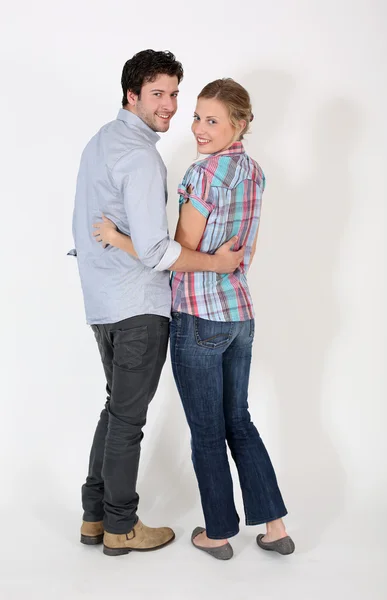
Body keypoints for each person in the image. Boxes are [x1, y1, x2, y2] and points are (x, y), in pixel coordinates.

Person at [94, 77, 294, 560]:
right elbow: (242, 246)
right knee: (239, 421)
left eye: (212, 120)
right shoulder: (253, 171)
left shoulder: (203, 176)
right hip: (239, 315)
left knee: (209, 431)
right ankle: (276, 528)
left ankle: (219, 534)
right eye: (198, 117)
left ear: (239, 123)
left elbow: (175, 252)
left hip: (199, 316)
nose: (199, 129)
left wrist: (118, 238)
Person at [71, 50, 244, 558]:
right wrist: (215, 263)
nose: (170, 106)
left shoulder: (98, 143)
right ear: (132, 95)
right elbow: (154, 250)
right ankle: (121, 527)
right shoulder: (141, 156)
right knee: (128, 420)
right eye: (158, 95)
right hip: (137, 307)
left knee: (114, 411)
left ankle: (94, 516)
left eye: (174, 94)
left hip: (101, 303)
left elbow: (86, 227)